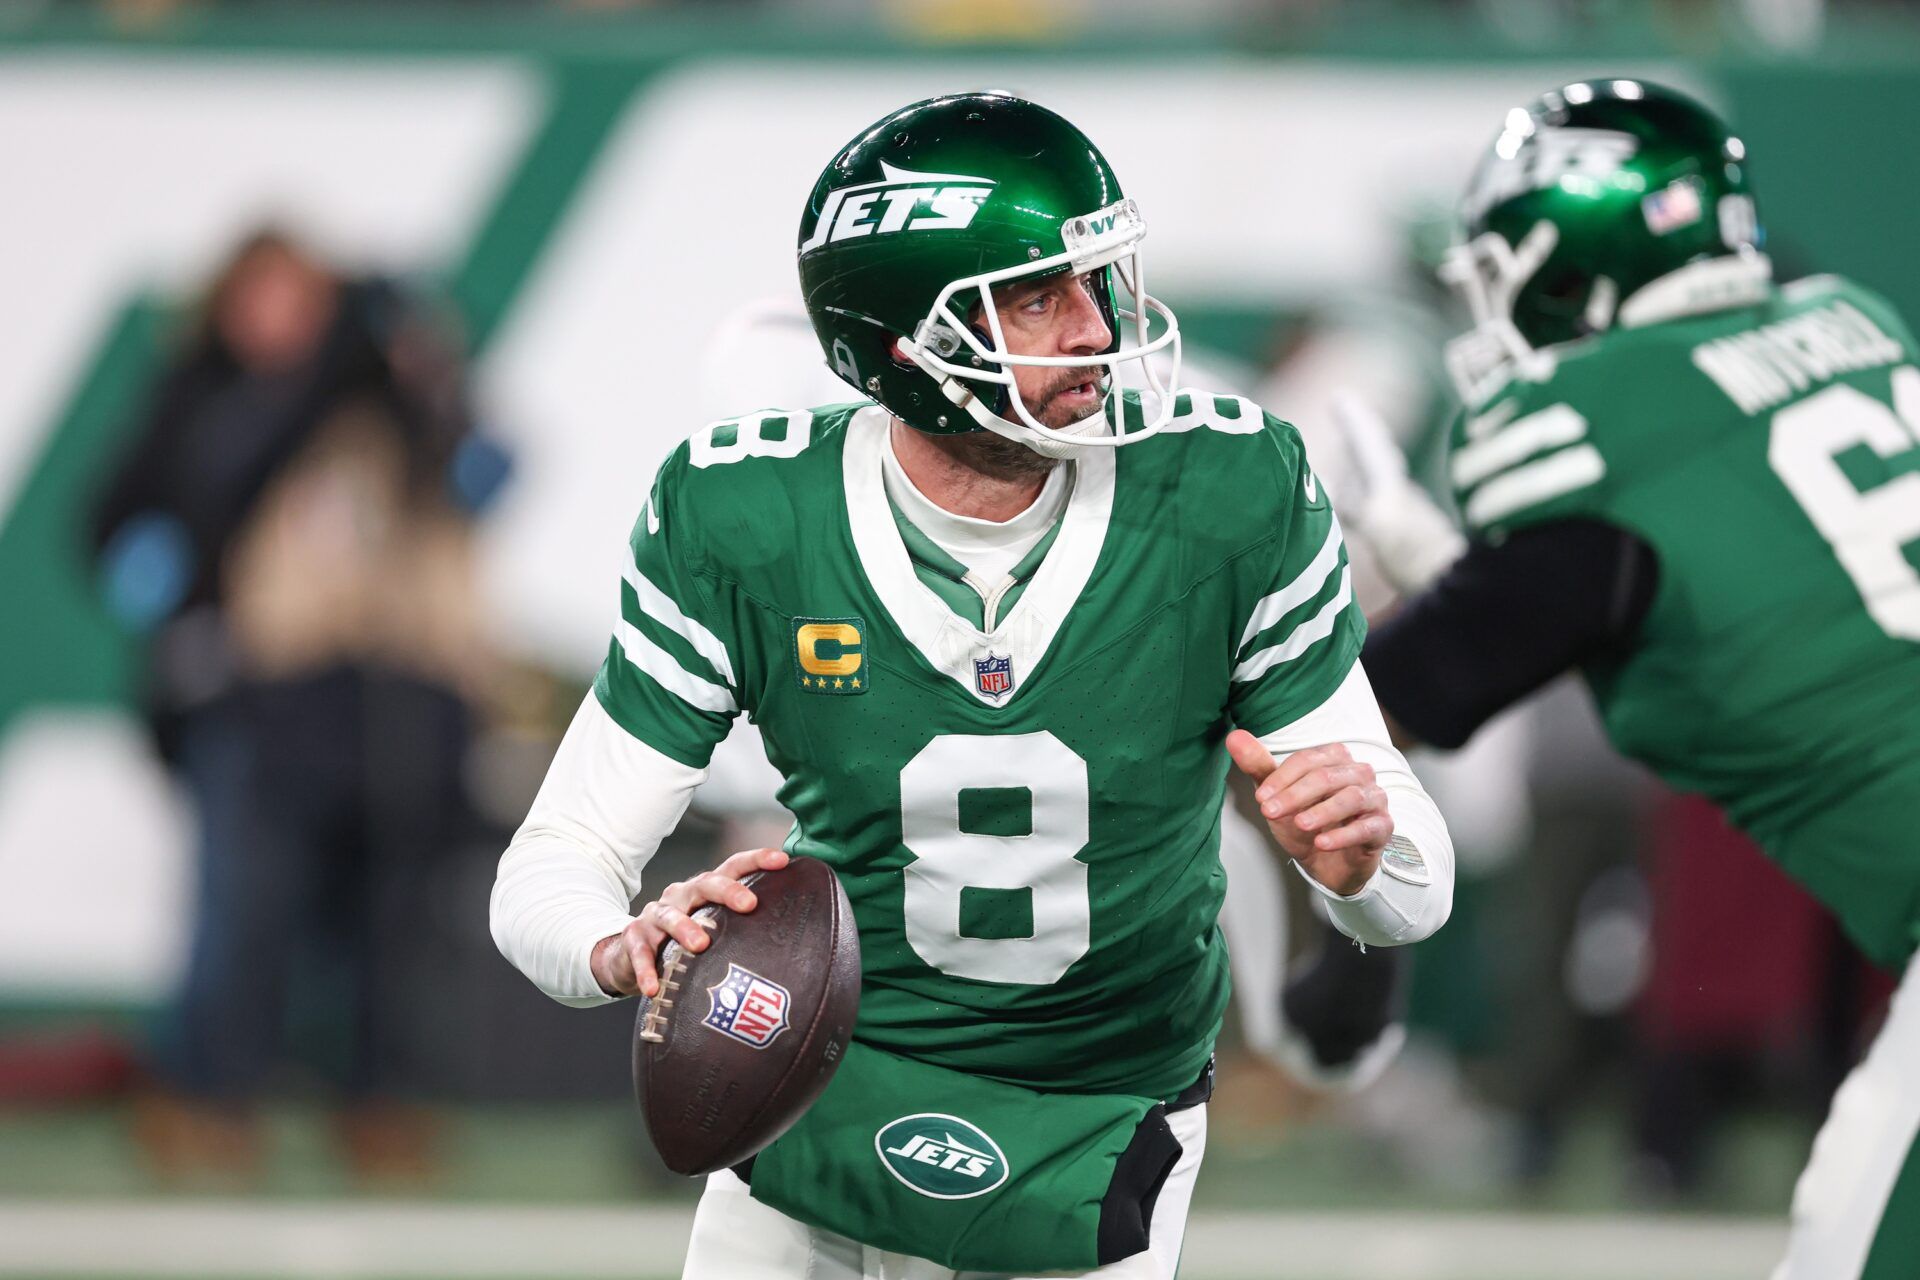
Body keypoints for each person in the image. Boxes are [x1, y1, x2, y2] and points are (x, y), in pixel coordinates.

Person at [491, 92, 1454, 1279]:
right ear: (903, 339)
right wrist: (615, 942)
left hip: (1097, 1102)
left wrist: (1360, 863)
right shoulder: (742, 515)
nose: (1096, 327)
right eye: (1040, 295)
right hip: (820, 1072)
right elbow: (552, 861)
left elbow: (1413, 877)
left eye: (1099, 280)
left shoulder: (1227, 488)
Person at [1338, 79, 1920, 1279]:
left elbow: (1363, 707)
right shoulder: (1847, 323)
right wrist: (1453, 573)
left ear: (1572, 255)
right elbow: (1665, 570)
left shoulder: (1598, 432)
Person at [91, 228, 501, 1180]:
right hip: (268, 686)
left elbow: (471, 470)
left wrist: (406, 351)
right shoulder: (210, 402)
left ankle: (380, 1099)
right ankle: (209, 1095)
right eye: (260, 300)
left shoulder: (393, 405)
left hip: (400, 686)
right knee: (247, 904)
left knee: (395, 910)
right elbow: (149, 510)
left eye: (303, 303)